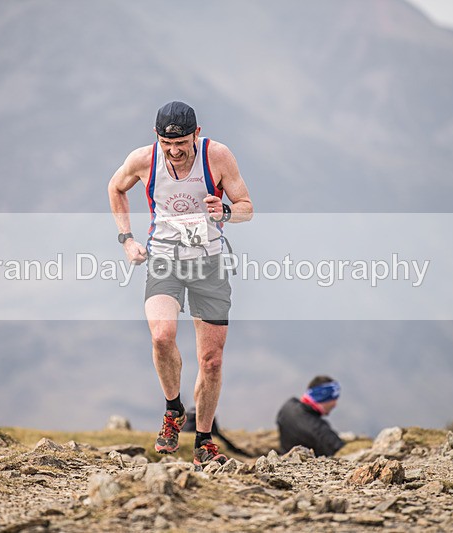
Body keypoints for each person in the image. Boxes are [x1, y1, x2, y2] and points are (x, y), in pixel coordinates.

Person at [107, 101, 253, 466]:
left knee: (212, 361)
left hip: (209, 262)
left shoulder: (217, 157)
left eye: (182, 143)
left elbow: (248, 206)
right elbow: (115, 187)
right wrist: (126, 239)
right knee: (161, 335)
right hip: (163, 259)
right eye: (167, 143)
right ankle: (174, 410)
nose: (174, 151)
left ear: (197, 134)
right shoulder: (144, 160)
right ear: (157, 137)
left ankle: (203, 440)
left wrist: (228, 212)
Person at [276, 375, 345, 457]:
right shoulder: (320, 430)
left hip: (284, 458)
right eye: (334, 398)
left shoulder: (287, 407)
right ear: (323, 397)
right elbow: (341, 450)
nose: (335, 404)